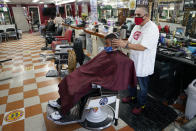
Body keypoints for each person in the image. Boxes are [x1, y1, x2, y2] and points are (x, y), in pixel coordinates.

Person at [48, 33, 137, 122]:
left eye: (106, 44)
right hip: (90, 73)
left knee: (74, 88)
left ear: (115, 43)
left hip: (97, 79)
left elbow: (120, 72)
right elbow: (95, 64)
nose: (105, 46)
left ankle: (62, 112)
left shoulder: (121, 59)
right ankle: (60, 102)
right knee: (69, 79)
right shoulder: (106, 52)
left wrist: (100, 81)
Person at [112, 6, 159, 115]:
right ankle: (132, 96)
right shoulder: (136, 26)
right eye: (135, 14)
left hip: (143, 64)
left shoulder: (152, 28)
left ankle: (141, 104)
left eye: (139, 15)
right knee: (131, 82)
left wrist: (125, 44)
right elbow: (130, 41)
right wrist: (120, 43)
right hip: (133, 61)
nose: (136, 17)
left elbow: (143, 47)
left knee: (142, 87)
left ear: (146, 16)